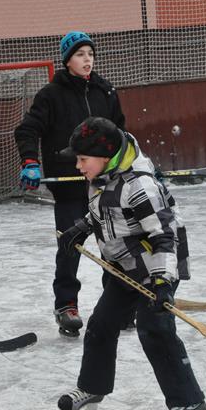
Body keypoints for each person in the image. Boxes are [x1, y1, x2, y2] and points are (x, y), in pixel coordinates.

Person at [55, 117, 206, 410]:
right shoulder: (102, 176)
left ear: (104, 155)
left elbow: (165, 236)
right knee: (101, 325)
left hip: (155, 267)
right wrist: (83, 227)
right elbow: (104, 211)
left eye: (82, 159)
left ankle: (191, 404)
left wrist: (162, 282)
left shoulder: (138, 185)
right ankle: (93, 387)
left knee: (154, 328)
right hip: (124, 268)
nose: (78, 164)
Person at [15, 31, 127, 337]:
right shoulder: (51, 95)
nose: (87, 59)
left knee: (113, 247)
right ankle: (66, 306)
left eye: (90, 53)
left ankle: (116, 306)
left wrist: (130, 166)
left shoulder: (105, 91)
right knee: (70, 246)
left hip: (104, 186)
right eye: (80, 54)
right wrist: (30, 162)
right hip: (68, 187)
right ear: (67, 60)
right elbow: (26, 130)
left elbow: (120, 134)